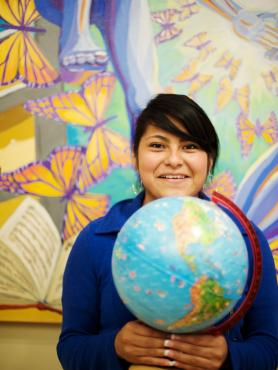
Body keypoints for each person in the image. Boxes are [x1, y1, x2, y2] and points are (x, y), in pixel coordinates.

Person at [57, 93, 278, 370]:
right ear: (136, 157)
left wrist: (228, 357)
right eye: (158, 145)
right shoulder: (95, 240)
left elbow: (270, 348)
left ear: (209, 160)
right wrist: (115, 347)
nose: (174, 160)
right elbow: (71, 348)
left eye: (190, 146)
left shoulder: (246, 240)